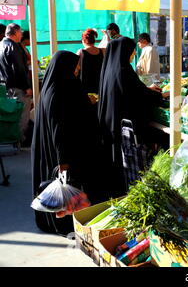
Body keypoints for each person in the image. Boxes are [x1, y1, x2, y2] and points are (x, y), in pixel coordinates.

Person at [31, 50, 105, 236]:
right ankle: (66, 223)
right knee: (67, 189)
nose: (78, 69)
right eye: (76, 65)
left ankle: (58, 218)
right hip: (68, 152)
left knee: (64, 190)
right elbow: (59, 128)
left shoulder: (53, 87)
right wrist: (63, 161)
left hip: (62, 151)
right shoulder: (60, 91)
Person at [97, 36, 168, 199]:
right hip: (127, 128)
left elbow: (132, 90)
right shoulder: (124, 70)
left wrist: (147, 89)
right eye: (131, 51)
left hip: (113, 124)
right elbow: (138, 95)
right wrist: (159, 94)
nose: (134, 53)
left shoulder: (109, 69)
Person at [0, 23, 32, 143]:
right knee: (22, 114)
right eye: (21, 32)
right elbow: (19, 69)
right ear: (15, 32)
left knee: (9, 115)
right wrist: (26, 87)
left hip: (5, 87)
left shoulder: (1, 45)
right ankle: (20, 139)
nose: (22, 34)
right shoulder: (14, 46)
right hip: (18, 87)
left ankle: (12, 139)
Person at [76, 28, 104, 94]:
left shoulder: (81, 52)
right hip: (100, 86)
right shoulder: (103, 51)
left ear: (83, 40)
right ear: (94, 40)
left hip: (85, 89)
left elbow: (75, 70)